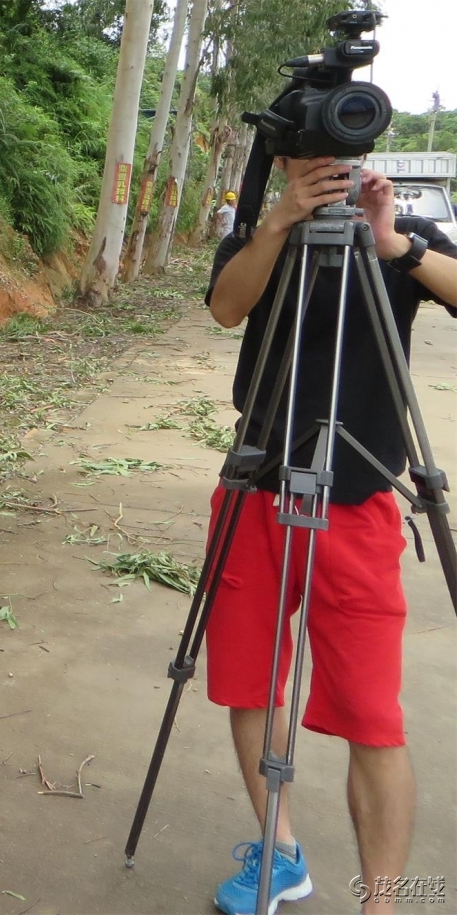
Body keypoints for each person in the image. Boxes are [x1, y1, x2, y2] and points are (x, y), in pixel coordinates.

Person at [204, 155, 457, 914]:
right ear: (283, 159)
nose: (326, 165)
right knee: (249, 681)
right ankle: (279, 851)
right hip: (258, 484)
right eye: (308, 150)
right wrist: (278, 223)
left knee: (373, 714)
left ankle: (383, 900)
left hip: (358, 497)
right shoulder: (260, 232)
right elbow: (224, 309)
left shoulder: (402, 235)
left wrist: (396, 247)